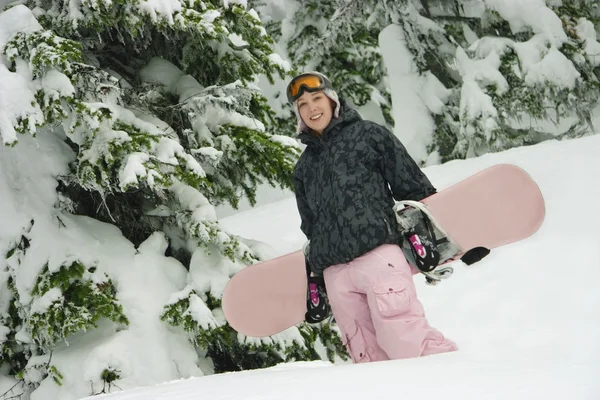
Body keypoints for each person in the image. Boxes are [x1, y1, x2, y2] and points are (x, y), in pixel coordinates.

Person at [288, 71, 457, 363]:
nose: (312, 108)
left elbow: (415, 188)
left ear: (332, 101)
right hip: (337, 275)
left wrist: (447, 243)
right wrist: (317, 279)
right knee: (367, 360)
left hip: (379, 258)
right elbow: (311, 227)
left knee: (409, 345)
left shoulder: (369, 135)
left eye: (317, 98)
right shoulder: (303, 169)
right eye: (303, 104)